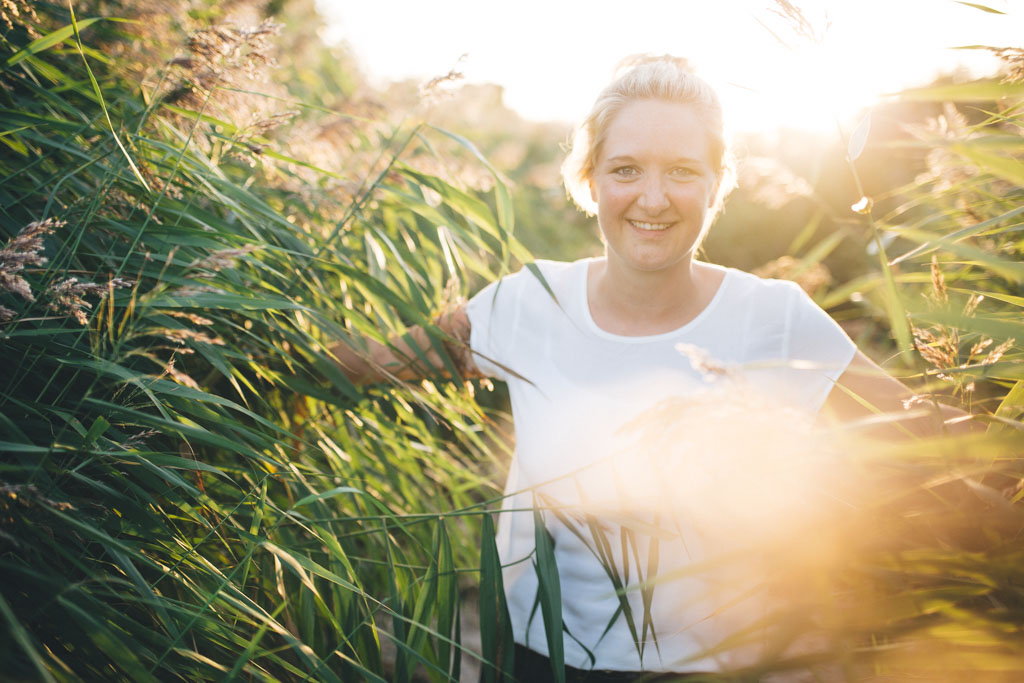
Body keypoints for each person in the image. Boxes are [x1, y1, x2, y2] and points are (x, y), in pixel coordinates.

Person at [330, 55, 974, 682]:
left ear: (717, 184)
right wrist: (253, 339)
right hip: (543, 654)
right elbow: (376, 360)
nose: (654, 198)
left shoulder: (773, 317)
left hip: (719, 667)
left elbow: (918, 430)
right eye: (627, 169)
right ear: (590, 179)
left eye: (683, 171)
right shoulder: (530, 302)